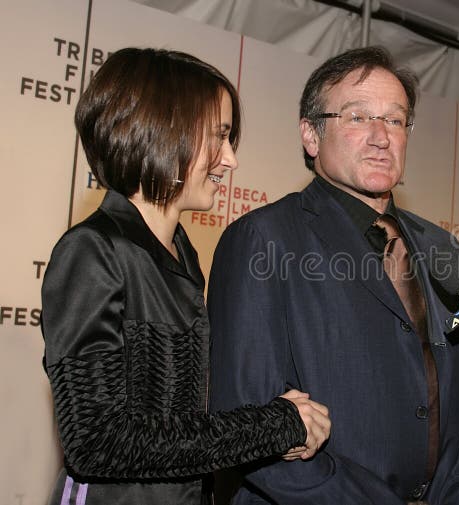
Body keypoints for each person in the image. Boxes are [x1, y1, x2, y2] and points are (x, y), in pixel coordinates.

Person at [41, 48, 330, 505]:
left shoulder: (184, 254)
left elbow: (184, 418)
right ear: (161, 130)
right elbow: (97, 442)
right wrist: (274, 424)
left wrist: (281, 424)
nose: (230, 159)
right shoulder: (94, 251)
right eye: (218, 136)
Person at [207, 46, 459, 505]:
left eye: (396, 120)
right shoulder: (264, 240)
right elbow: (246, 423)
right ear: (311, 136)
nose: (382, 136)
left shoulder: (446, 250)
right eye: (358, 118)